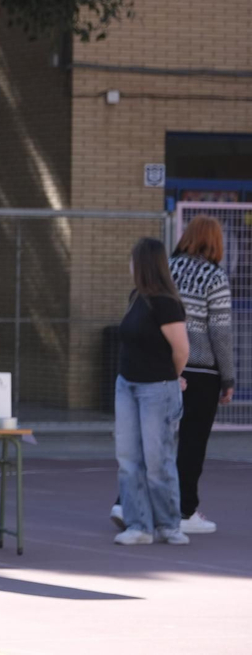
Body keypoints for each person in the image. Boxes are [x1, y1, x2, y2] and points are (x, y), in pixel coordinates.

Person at [112, 237, 191, 546]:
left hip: (156, 389)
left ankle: (168, 524)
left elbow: (181, 350)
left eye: (133, 260)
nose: (129, 265)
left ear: (144, 264)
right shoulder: (136, 297)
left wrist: (172, 377)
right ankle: (138, 525)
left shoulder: (166, 303)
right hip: (127, 385)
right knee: (128, 458)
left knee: (157, 460)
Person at [166, 217, 236, 532]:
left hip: (164, 367)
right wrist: (228, 377)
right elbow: (220, 333)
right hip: (201, 370)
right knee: (192, 443)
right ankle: (184, 511)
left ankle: (129, 502)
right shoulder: (214, 276)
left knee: (155, 440)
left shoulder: (167, 269)